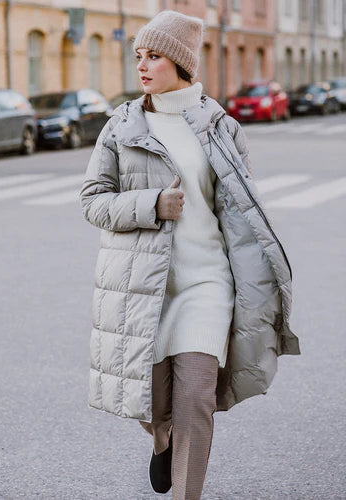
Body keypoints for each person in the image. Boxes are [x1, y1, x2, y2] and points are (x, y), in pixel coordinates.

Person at [80, 10, 300, 500]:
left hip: (207, 283)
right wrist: (152, 205)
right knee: (154, 400)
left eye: (154, 56)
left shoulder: (221, 127)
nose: (142, 65)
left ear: (180, 63)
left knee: (196, 397)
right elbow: (92, 201)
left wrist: (260, 281)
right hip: (145, 286)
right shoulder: (121, 126)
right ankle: (163, 438)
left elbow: (242, 211)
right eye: (138, 55)